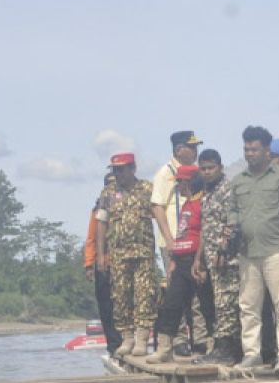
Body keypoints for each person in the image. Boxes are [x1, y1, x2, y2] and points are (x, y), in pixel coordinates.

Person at [230, 125, 279, 373]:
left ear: (266, 151)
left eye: (254, 149)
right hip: (247, 253)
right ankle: (252, 354)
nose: (249, 153)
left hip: (276, 251)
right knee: (248, 306)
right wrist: (232, 229)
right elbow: (233, 211)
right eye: (246, 149)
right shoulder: (238, 181)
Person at [148, 165, 215, 362]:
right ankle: (164, 347)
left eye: (182, 182)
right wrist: (173, 261)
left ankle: (212, 345)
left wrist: (199, 261)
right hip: (181, 261)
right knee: (171, 304)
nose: (179, 187)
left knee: (206, 305)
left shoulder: (204, 202)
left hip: (197, 261)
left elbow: (204, 231)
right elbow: (182, 233)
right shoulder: (186, 204)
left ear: (192, 182)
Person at [95, 152, 159, 357]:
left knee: (144, 294)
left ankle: (142, 338)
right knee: (120, 296)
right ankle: (127, 338)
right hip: (118, 254)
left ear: (133, 168)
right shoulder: (108, 193)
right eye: (115, 170)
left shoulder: (147, 189)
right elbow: (101, 223)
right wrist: (100, 254)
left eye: (121, 169)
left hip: (143, 252)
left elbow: (159, 215)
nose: (118, 174)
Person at [151, 130, 207, 353]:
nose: (195, 151)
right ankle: (179, 340)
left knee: (197, 295)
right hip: (174, 244)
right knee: (176, 295)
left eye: (196, 147)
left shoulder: (196, 174)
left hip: (194, 242)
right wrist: (169, 239)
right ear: (178, 150)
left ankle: (201, 338)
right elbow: (156, 206)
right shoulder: (166, 173)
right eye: (191, 147)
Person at [193, 149, 241, 364]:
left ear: (220, 167)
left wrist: (223, 250)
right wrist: (199, 258)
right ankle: (223, 347)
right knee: (219, 303)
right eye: (203, 168)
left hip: (228, 259)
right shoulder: (207, 192)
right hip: (212, 259)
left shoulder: (227, 190)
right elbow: (206, 227)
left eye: (211, 168)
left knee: (227, 304)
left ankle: (228, 350)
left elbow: (232, 223)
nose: (207, 172)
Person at [84, 172, 121, 353]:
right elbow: (91, 238)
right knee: (106, 305)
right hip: (104, 264)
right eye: (110, 184)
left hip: (125, 263)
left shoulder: (127, 205)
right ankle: (113, 345)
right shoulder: (98, 210)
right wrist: (90, 264)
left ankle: (129, 341)